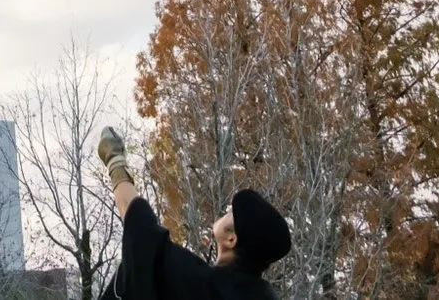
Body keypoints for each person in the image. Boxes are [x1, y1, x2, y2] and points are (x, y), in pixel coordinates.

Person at [94, 127, 292, 300]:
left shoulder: (198, 285)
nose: (227, 212)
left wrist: (115, 160)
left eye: (233, 213)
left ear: (232, 239)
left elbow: (140, 230)